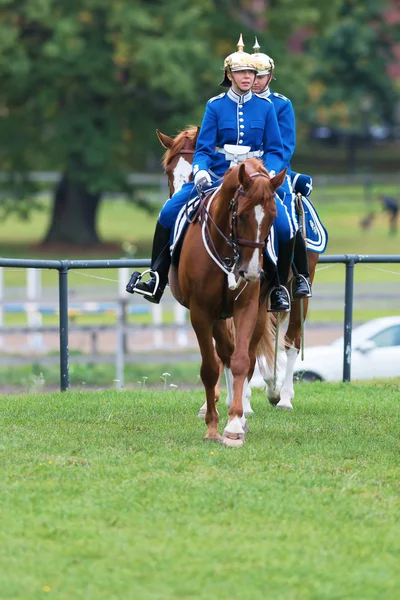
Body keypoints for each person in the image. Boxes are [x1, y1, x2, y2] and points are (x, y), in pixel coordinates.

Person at [127, 35, 297, 311]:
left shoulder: (267, 107)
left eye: (251, 72)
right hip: (216, 177)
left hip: (255, 180)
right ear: (229, 75)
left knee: (285, 226)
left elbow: (277, 150)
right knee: (169, 212)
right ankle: (156, 277)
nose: (248, 77)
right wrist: (201, 170)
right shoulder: (214, 106)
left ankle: (278, 287)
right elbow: (204, 149)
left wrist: (270, 173)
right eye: (242, 72)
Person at [252, 38, 312, 299]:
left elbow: (285, 147)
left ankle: (297, 276)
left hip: (273, 174)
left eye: (260, 76)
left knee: (286, 224)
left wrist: (266, 173)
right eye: (250, 75)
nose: (254, 81)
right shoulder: (230, 103)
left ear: (270, 77)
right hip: (238, 174)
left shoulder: (282, 105)